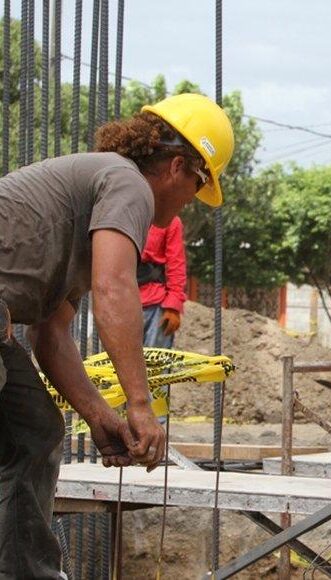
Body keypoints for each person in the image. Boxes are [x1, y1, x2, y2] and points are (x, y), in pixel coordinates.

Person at [0, 92, 234, 578]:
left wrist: (102, 417)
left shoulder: (95, 198)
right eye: (200, 181)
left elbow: (53, 336)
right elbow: (115, 288)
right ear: (177, 166)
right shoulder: (128, 184)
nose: (194, 197)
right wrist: (140, 406)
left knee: (33, 428)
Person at [139, 216, 188, 349]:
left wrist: (173, 307)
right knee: (115, 366)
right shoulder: (121, 213)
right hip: (120, 302)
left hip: (155, 306)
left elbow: (176, 264)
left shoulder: (170, 220)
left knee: (156, 367)